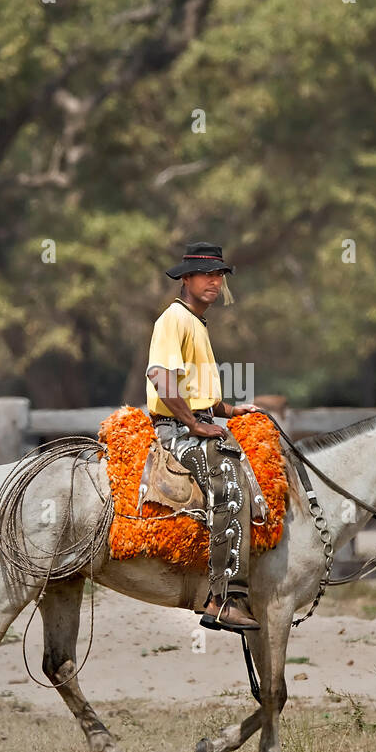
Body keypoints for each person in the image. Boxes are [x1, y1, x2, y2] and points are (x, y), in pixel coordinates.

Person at [145, 242, 263, 632]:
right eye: (206, 275)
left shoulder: (196, 322)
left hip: (189, 420)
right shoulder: (173, 319)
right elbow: (161, 379)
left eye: (219, 275)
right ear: (186, 278)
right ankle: (225, 598)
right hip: (174, 428)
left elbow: (196, 393)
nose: (214, 282)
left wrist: (228, 411)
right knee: (228, 481)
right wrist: (194, 426)